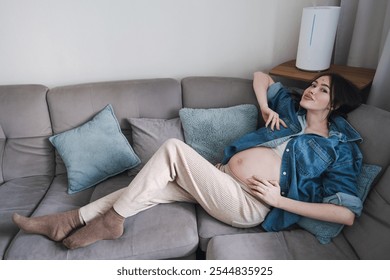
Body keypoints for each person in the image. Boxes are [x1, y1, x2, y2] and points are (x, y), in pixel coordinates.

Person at [12, 71, 363, 249]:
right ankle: (68, 220)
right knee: (146, 189)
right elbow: (261, 77)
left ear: (334, 104)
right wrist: (264, 105)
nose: (311, 90)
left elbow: (345, 214)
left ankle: (110, 222)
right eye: (313, 84)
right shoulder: (289, 108)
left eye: (322, 89)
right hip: (220, 177)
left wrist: (279, 200)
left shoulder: (340, 148)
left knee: (172, 149)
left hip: (250, 204)